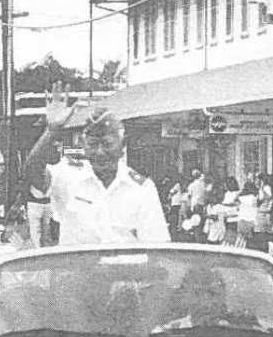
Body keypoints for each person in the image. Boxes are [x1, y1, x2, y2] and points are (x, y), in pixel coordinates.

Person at [22, 85, 169, 245]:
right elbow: (32, 171)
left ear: (123, 145)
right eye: (93, 144)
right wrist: (51, 131)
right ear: (83, 146)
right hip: (77, 270)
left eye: (107, 144)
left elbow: (156, 249)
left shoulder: (142, 189)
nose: (100, 152)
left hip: (123, 270)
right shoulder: (69, 175)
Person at [235, 179, 258, 248]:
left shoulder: (241, 197)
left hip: (242, 219)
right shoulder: (254, 197)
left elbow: (235, 199)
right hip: (252, 219)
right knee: (250, 239)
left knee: (241, 238)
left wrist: (242, 192)